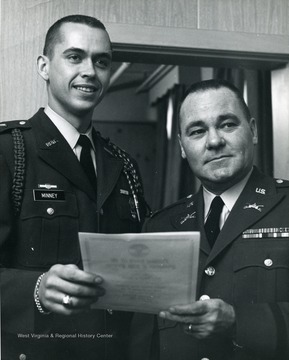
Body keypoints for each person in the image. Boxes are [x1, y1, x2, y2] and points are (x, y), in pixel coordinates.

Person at [0, 14, 148, 360]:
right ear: (44, 66)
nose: (90, 71)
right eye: (74, 56)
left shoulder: (123, 164)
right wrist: (35, 289)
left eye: (102, 61)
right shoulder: (10, 151)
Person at [129, 79, 289, 360]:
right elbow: (143, 342)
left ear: (252, 130)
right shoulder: (161, 227)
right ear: (181, 146)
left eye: (227, 124)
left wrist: (239, 321)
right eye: (197, 131)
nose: (214, 141)